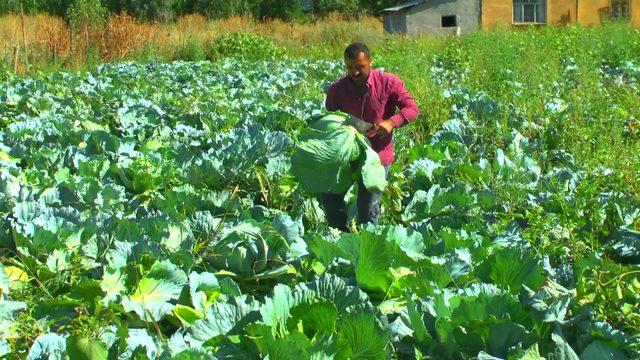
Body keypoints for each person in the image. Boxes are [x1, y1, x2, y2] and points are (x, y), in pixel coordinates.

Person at [321, 42, 420, 231]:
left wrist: (391, 123)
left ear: (370, 62)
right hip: (347, 154)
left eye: (360, 67)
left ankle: (367, 247)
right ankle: (341, 240)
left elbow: (412, 108)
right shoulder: (337, 89)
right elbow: (331, 119)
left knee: (368, 210)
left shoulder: (389, 82)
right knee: (331, 199)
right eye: (350, 68)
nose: (354, 73)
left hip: (377, 156)